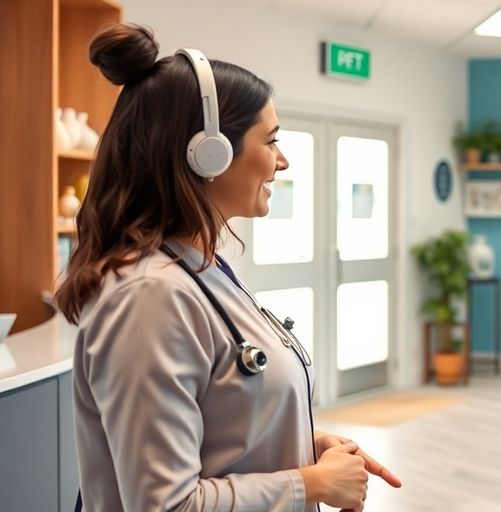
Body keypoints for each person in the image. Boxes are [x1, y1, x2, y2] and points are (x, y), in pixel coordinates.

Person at [55, 23, 400, 511]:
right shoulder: (149, 297)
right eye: (271, 140)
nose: (282, 162)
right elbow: (165, 504)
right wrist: (311, 484)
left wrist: (304, 442)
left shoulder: (202, 270)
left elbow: (222, 421)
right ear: (208, 153)